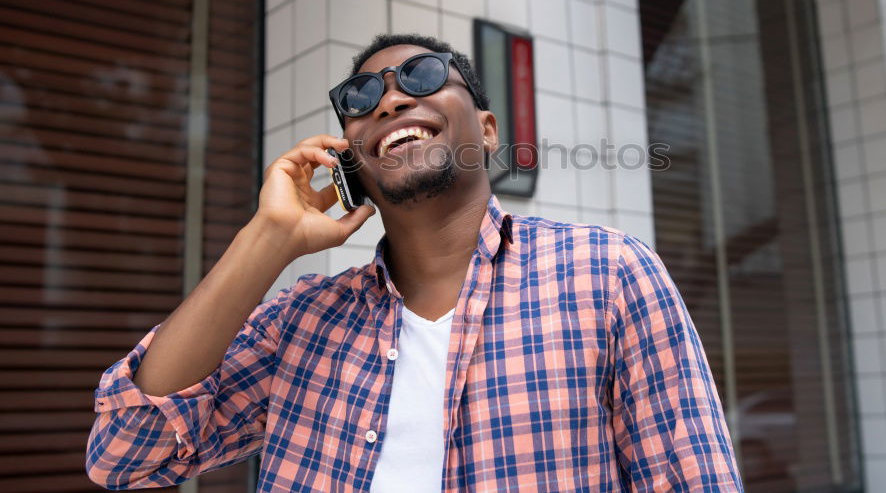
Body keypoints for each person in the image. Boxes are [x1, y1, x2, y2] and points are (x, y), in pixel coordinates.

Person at [86, 33, 743, 491]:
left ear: (487, 130)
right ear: (348, 154)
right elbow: (125, 453)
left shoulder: (606, 274)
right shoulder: (300, 319)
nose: (392, 101)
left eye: (424, 77)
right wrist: (270, 237)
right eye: (361, 95)